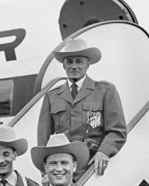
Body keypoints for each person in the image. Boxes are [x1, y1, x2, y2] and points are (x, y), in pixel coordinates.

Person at [37, 38, 127, 176]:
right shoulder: (52, 96)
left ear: (87, 64)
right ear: (64, 65)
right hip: (62, 170)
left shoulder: (105, 91)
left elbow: (117, 131)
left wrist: (104, 152)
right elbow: (43, 140)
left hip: (92, 168)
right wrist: (45, 173)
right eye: (69, 62)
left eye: (79, 61)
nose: (74, 66)